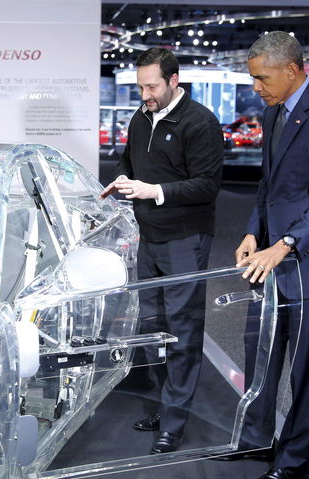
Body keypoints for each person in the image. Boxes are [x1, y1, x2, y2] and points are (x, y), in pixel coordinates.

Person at [226, 31, 309, 479]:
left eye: (262, 78)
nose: (256, 87)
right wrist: (250, 231)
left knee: (305, 368)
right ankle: (257, 438)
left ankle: (294, 462)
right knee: (259, 352)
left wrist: (283, 243)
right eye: (253, 79)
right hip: (268, 257)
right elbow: (269, 186)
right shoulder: (272, 111)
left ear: (293, 70)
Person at [101, 47, 223, 454]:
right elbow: (129, 165)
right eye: (140, 86)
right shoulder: (141, 117)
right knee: (153, 328)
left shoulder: (200, 122)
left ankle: (174, 421)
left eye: (151, 86)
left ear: (174, 81)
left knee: (183, 331)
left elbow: (206, 185)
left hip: (185, 240)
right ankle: (165, 404)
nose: (144, 94)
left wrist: (155, 191)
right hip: (149, 239)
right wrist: (121, 184)